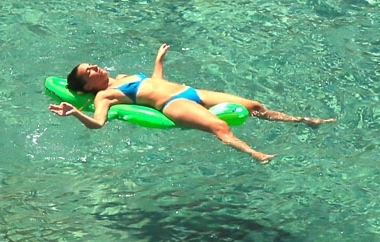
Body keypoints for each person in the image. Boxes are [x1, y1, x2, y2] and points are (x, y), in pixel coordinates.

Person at [50, 44, 333, 164]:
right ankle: (256, 154)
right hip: (173, 105)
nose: (96, 67)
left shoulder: (124, 76)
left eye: (92, 65)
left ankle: (303, 120)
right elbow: (98, 124)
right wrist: (75, 112)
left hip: (189, 91)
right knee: (219, 126)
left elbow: (153, 82)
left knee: (254, 105)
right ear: (88, 87)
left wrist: (158, 62)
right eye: (90, 71)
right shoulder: (104, 96)